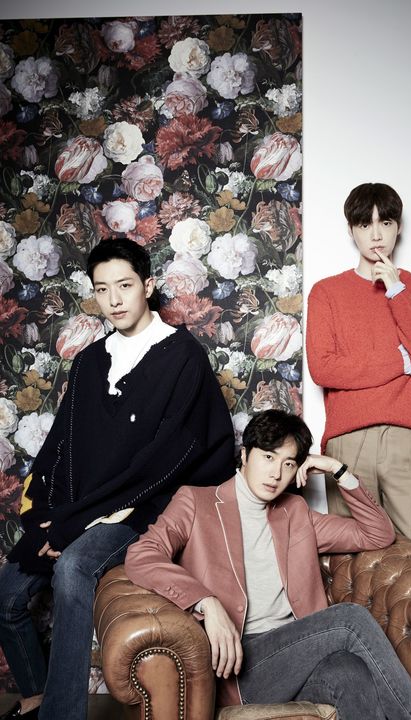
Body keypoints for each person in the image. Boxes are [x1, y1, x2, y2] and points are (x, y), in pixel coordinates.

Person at [0, 238, 235, 720]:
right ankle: (39, 696)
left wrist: (78, 526)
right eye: (102, 289)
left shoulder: (182, 357)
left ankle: (61, 716)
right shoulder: (89, 361)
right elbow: (61, 445)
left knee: (73, 567)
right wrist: (46, 515)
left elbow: (163, 463)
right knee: (6, 597)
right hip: (80, 507)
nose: (114, 299)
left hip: (141, 509)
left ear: (148, 286)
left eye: (125, 286)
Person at [125, 409, 411, 720]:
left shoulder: (295, 512)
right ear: (245, 455)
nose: (276, 473)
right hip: (240, 665)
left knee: (349, 671)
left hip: (298, 654)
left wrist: (337, 469)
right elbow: (143, 554)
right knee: (350, 619)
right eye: (268, 457)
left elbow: (377, 533)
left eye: (288, 463)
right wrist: (206, 602)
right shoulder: (196, 502)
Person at [306, 183, 411, 557]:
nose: (376, 235)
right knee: (353, 564)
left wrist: (397, 292)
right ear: (351, 229)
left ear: (398, 227)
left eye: (385, 223)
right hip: (347, 439)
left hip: (406, 435)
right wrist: (401, 362)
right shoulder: (326, 293)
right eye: (365, 224)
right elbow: (323, 368)